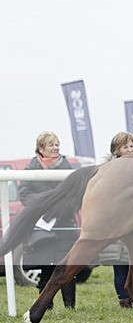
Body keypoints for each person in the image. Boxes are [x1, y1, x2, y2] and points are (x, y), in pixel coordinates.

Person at [17, 131, 78, 309]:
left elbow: (75, 196)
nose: (56, 147)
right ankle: (46, 305)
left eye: (57, 144)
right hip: (41, 225)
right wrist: (44, 207)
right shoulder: (31, 169)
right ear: (41, 147)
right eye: (51, 144)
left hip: (64, 223)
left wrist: (59, 209)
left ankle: (70, 306)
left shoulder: (68, 168)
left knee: (67, 267)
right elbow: (25, 194)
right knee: (46, 267)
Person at [98, 132, 133, 308]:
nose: (130, 150)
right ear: (117, 150)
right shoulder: (109, 170)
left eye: (131, 146)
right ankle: (124, 299)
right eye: (125, 147)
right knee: (120, 263)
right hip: (117, 222)